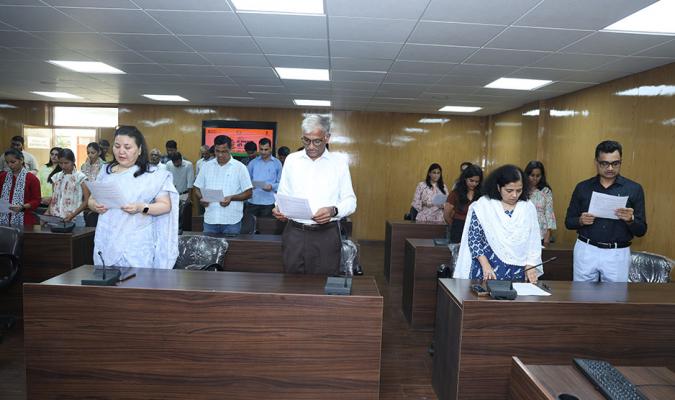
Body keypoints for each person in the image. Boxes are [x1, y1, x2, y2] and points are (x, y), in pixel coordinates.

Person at [273, 115, 356, 275]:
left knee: (323, 286)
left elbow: (350, 200)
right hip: (294, 233)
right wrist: (278, 208)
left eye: (316, 141)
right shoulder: (292, 160)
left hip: (326, 234)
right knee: (292, 284)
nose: (310, 146)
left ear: (327, 138)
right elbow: (283, 193)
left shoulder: (338, 163)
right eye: (306, 140)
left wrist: (334, 210)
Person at [88, 126, 178, 269]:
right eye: (117, 146)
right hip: (108, 237)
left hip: (136, 243)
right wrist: (94, 206)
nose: (121, 151)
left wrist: (140, 207)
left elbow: (165, 205)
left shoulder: (153, 174)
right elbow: (92, 199)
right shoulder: (106, 171)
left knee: (136, 286)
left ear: (140, 149)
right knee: (107, 285)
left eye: (127, 147)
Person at [565, 140, 647, 282]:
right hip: (586, 249)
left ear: (621, 162)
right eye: (605, 163)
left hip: (617, 253)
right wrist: (580, 220)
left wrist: (631, 220)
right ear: (596, 162)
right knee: (581, 297)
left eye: (615, 163)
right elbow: (568, 222)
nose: (610, 168)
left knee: (615, 300)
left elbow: (641, 230)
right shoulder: (583, 187)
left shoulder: (634, 189)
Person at [453, 164, 542, 283]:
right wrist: (485, 265)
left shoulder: (527, 207)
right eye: (509, 190)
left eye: (519, 190)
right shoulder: (484, 205)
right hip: (486, 266)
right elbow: (474, 239)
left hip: (518, 268)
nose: (514, 195)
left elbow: (534, 239)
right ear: (498, 187)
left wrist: (531, 264)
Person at [194, 135, 252, 235]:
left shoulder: (240, 168)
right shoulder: (206, 166)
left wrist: (231, 197)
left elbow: (249, 193)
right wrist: (201, 198)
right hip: (210, 219)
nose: (220, 155)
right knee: (209, 250)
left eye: (224, 151)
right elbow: (197, 188)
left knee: (232, 250)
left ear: (231, 149)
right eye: (217, 151)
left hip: (231, 221)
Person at [46, 149, 89, 226]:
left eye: (66, 163)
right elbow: (54, 199)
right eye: (60, 163)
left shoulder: (81, 177)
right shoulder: (56, 177)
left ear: (73, 161)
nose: (63, 166)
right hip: (56, 217)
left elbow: (86, 201)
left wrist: (72, 215)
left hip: (76, 218)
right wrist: (47, 212)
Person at [0, 148, 41, 226]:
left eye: (13, 162)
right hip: (3, 218)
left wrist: (22, 207)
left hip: (24, 219)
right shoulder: (3, 176)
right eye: (7, 162)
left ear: (21, 160)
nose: (10, 165)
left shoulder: (32, 179)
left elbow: (36, 200)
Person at [444, 164, 483, 243]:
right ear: (465, 178)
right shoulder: (455, 193)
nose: (474, 184)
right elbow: (446, 215)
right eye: (471, 180)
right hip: (458, 227)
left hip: (476, 228)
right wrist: (454, 225)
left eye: (477, 182)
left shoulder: (482, 194)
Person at [246, 138, 282, 217]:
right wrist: (250, 185)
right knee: (250, 227)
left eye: (266, 149)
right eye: (261, 149)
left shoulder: (277, 163)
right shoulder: (253, 163)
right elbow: (246, 181)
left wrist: (272, 186)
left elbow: (281, 184)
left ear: (270, 149)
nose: (263, 152)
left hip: (269, 202)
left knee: (266, 227)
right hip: (253, 201)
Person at [525, 161, 557, 247]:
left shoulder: (546, 191)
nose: (535, 178)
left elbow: (549, 214)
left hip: (541, 233)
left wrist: (547, 239)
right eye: (532, 175)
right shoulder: (521, 190)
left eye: (538, 176)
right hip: (523, 231)